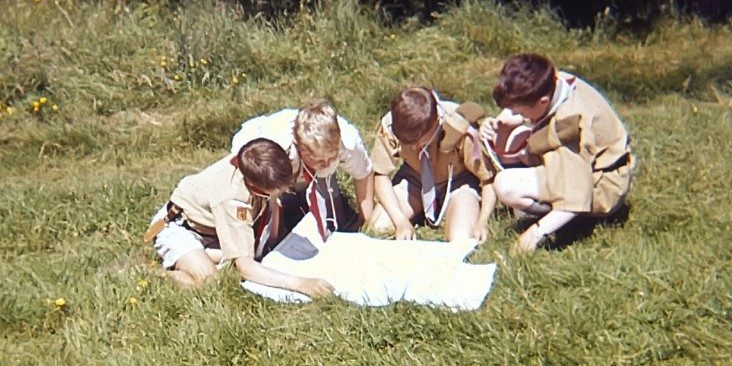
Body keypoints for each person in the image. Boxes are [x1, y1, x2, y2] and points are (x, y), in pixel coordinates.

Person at [480, 52, 634, 253]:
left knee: (506, 185)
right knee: (516, 139)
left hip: (604, 184)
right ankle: (551, 209)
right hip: (593, 165)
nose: (515, 114)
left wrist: (533, 235)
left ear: (542, 102)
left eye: (519, 109)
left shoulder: (570, 127)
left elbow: (576, 195)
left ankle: (575, 223)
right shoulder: (551, 81)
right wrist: (500, 125)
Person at [145, 137, 334, 298]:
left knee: (256, 255)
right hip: (182, 228)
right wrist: (302, 284)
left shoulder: (265, 160)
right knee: (209, 283)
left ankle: (206, 255)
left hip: (214, 229)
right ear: (255, 186)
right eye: (280, 188)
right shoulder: (233, 199)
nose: (286, 189)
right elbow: (246, 267)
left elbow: (275, 200)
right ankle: (153, 274)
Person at [229, 101, 375, 244]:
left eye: (332, 157)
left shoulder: (349, 142)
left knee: (333, 223)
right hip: (269, 170)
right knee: (266, 233)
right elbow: (245, 165)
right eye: (318, 160)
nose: (326, 164)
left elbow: (363, 175)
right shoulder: (275, 146)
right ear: (299, 146)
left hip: (310, 174)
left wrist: (366, 225)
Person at [367, 86, 497, 243]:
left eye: (419, 140)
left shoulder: (460, 127)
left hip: (458, 183)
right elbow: (381, 175)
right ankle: (418, 209)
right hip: (414, 180)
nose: (414, 147)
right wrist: (400, 222)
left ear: (437, 122)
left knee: (461, 238)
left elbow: (488, 180)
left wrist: (482, 222)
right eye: (408, 142)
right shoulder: (392, 124)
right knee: (377, 227)